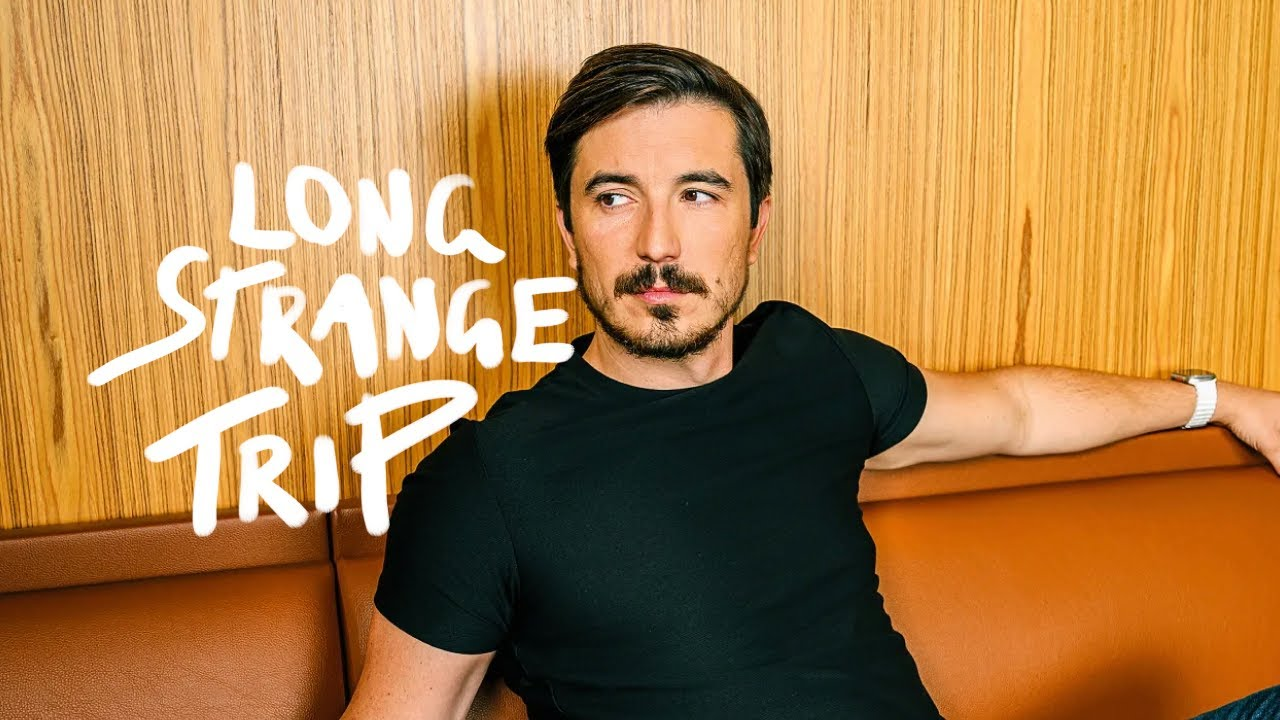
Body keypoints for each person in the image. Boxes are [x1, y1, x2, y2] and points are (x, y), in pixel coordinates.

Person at [341, 43, 1280, 720]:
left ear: (756, 224)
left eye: (699, 194)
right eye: (615, 197)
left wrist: (1224, 400)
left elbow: (1019, 410)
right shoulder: (489, 478)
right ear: (568, 228)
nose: (658, 244)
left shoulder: (812, 364)